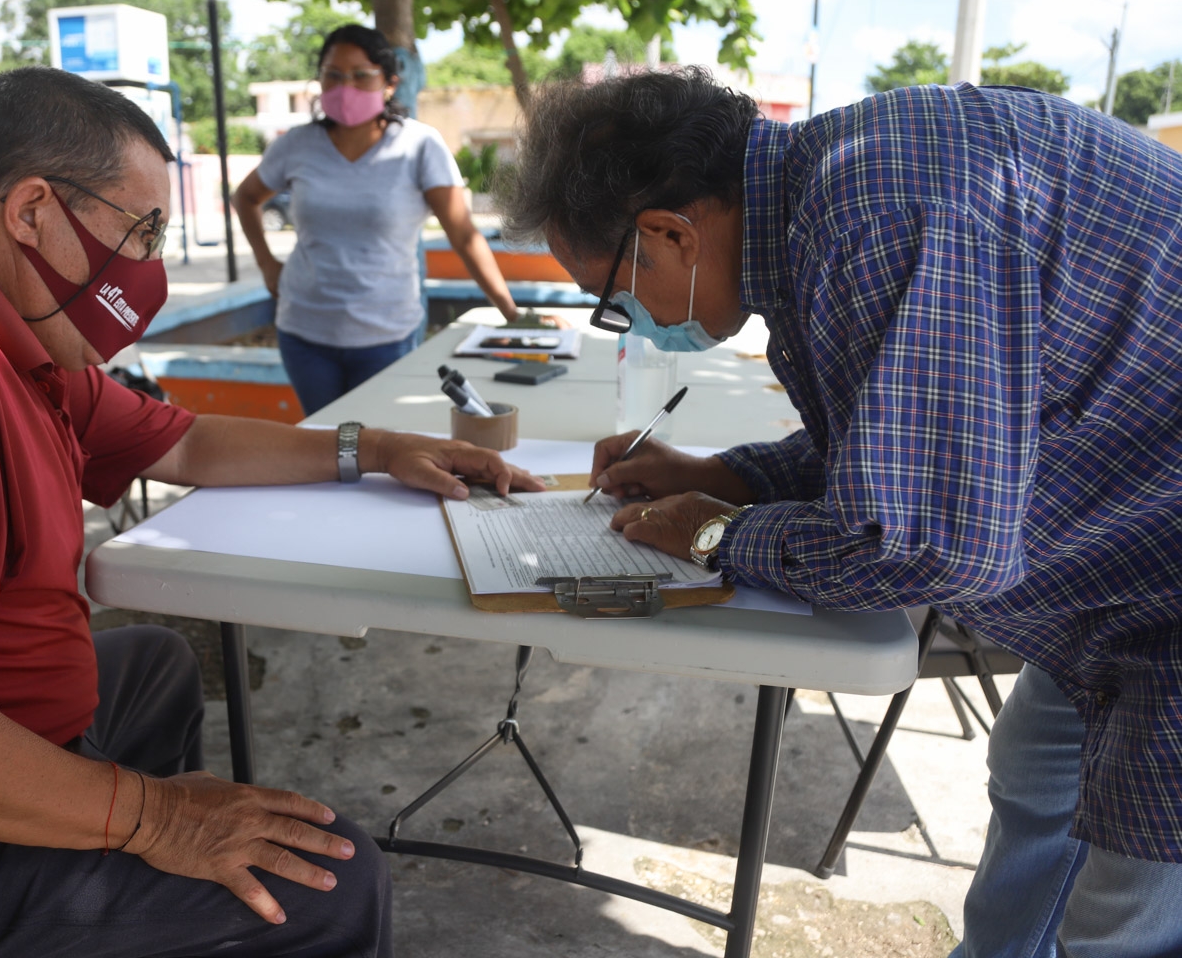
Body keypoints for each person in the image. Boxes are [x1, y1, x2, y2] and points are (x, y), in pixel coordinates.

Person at [0, 65, 543, 958]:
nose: (147, 267)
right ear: (31, 212)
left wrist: (372, 448)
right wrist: (155, 819)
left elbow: (183, 444)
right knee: (331, 887)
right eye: (140, 231)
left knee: (149, 664)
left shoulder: (10, 335)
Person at [496, 67, 1182, 957]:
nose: (631, 326)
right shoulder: (837, 197)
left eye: (614, 302)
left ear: (669, 233)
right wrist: (730, 474)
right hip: (1103, 581)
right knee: (1033, 789)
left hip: (1157, 588)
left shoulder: (884, 214)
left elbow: (932, 546)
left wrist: (714, 533)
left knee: (1124, 922)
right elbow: (916, 433)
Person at [233, 24, 537, 416]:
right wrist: (266, 264)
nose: (346, 86)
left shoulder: (419, 146)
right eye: (334, 75)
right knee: (325, 444)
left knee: (379, 447)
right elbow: (245, 198)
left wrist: (511, 313)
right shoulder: (296, 146)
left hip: (387, 334)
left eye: (361, 75)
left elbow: (463, 234)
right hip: (304, 331)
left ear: (389, 83)